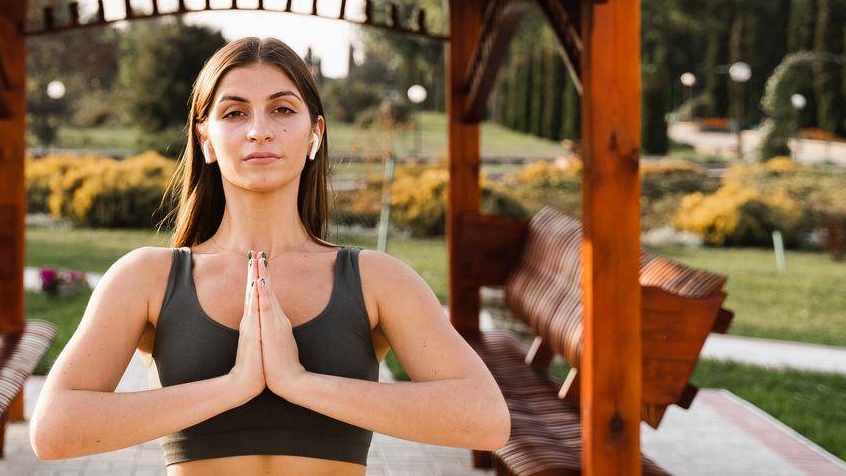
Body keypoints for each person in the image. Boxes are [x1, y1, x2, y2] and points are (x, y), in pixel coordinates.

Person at [29, 35, 511, 472]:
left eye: (282, 109)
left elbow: (486, 420)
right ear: (206, 141)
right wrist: (233, 386)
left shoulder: (376, 280)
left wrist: (298, 382)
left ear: (315, 134)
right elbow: (54, 429)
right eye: (235, 112)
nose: (259, 130)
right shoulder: (147, 278)